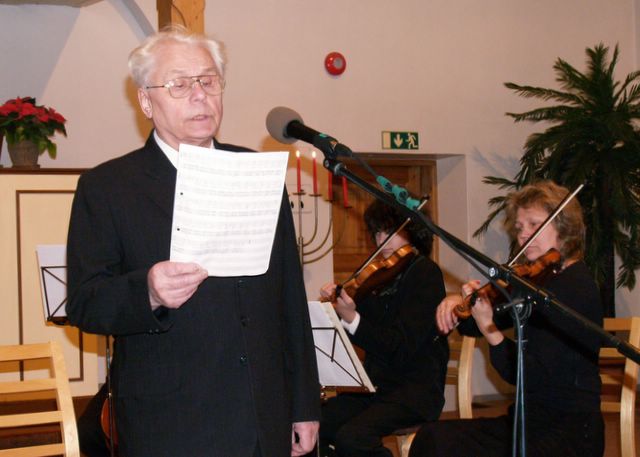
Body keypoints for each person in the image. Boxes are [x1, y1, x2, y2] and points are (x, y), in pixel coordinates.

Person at [66, 26, 320, 457]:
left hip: (263, 417)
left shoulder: (255, 172)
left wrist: (304, 404)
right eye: (179, 84)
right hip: (171, 424)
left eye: (208, 81)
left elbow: (290, 298)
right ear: (146, 101)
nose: (199, 95)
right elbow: (85, 302)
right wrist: (147, 291)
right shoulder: (108, 187)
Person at [408, 180, 604, 457]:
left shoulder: (575, 287)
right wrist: (459, 302)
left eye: (534, 224)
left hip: (569, 430)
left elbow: (528, 374)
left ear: (564, 228)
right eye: (520, 227)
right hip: (527, 421)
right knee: (434, 439)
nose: (524, 235)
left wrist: (491, 331)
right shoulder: (536, 282)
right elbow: (472, 324)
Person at [316, 200, 448, 457]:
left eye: (390, 231)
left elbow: (399, 347)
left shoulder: (425, 274)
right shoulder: (377, 278)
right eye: (377, 232)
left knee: (352, 438)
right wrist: (335, 311)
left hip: (414, 391)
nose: (381, 240)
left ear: (413, 231)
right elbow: (364, 334)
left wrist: (353, 318)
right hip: (375, 387)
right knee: (315, 423)